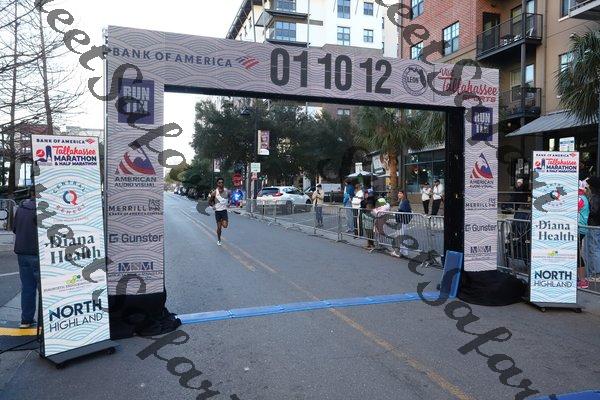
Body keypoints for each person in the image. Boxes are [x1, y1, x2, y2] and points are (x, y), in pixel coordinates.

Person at [12, 187, 39, 328]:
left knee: (27, 287)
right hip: (38, 253)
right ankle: (46, 322)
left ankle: (26, 320)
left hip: (22, 252)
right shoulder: (43, 209)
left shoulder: (21, 208)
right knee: (45, 289)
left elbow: (15, 229)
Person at [585, 176, 600, 281]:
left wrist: (587, 213)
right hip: (595, 225)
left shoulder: (595, 198)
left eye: (589, 186)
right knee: (595, 248)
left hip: (594, 225)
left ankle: (595, 273)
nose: (588, 188)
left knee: (593, 249)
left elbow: (594, 212)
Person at [209, 177, 230, 246]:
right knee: (219, 228)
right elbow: (210, 202)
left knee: (225, 226)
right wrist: (213, 206)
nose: (221, 184)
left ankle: (222, 221)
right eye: (219, 183)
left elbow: (230, 197)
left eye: (222, 182)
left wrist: (229, 203)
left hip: (224, 211)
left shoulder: (226, 191)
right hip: (217, 211)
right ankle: (219, 240)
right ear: (217, 184)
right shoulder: (214, 192)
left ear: (223, 183)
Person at [392, 190, 412, 257]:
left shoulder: (405, 201)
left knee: (400, 236)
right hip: (401, 221)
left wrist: (398, 211)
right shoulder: (402, 201)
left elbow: (403, 211)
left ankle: (399, 252)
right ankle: (403, 252)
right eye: (398, 193)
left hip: (402, 221)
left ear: (404, 194)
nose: (399, 194)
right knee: (402, 236)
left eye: (400, 193)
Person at [578, 179, 590, 289]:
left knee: (576, 254)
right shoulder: (583, 197)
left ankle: (582, 280)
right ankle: (580, 279)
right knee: (576, 253)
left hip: (578, 229)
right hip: (580, 228)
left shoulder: (580, 198)